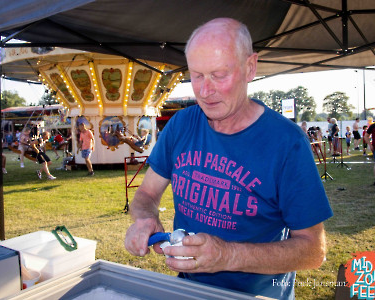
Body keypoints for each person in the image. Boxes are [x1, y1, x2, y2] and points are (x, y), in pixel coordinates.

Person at [124, 18, 333, 300]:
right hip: (188, 289)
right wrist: (145, 218)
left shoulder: (286, 142)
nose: (205, 91)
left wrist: (227, 255)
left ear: (250, 68)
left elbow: (312, 250)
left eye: (219, 75)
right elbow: (147, 193)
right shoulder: (181, 124)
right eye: (196, 75)